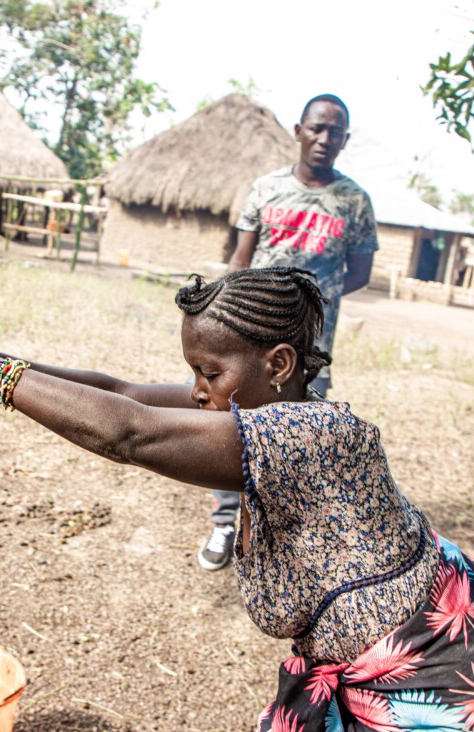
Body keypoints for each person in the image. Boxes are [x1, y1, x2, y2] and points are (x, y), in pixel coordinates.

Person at [0, 267, 474, 732]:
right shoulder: (263, 404)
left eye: (211, 373)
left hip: (461, 686)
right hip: (442, 650)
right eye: (195, 372)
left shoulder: (311, 435)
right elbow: (123, 393)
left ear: (280, 364)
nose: (198, 392)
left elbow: (128, 432)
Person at [199, 93, 378, 571]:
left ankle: (276, 532)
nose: (324, 138)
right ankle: (224, 521)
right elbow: (241, 259)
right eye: (316, 128)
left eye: (335, 131)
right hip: (252, 335)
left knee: (298, 429)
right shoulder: (265, 189)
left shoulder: (355, 201)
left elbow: (359, 272)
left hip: (311, 346)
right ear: (298, 131)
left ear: (345, 139)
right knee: (232, 418)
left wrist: (311, 302)